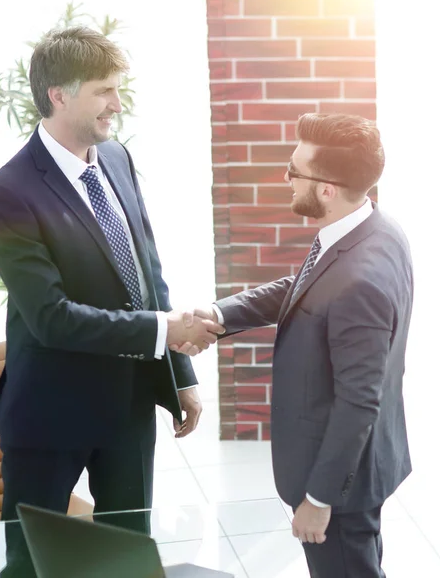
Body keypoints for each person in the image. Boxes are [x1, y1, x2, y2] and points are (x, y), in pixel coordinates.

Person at [0, 26, 223, 576]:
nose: (117, 103)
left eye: (118, 87)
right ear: (59, 95)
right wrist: (166, 330)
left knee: (127, 559)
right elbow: (51, 318)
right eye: (103, 91)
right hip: (49, 412)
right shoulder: (7, 194)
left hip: (129, 405)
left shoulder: (116, 159)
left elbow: (145, 272)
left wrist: (179, 373)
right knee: (30, 564)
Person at [175, 113, 413, 577]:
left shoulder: (360, 280)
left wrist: (319, 500)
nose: (285, 179)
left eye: (293, 171)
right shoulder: (369, 229)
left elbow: (358, 401)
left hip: (340, 486)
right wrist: (220, 315)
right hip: (363, 466)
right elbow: (302, 288)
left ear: (326, 188)